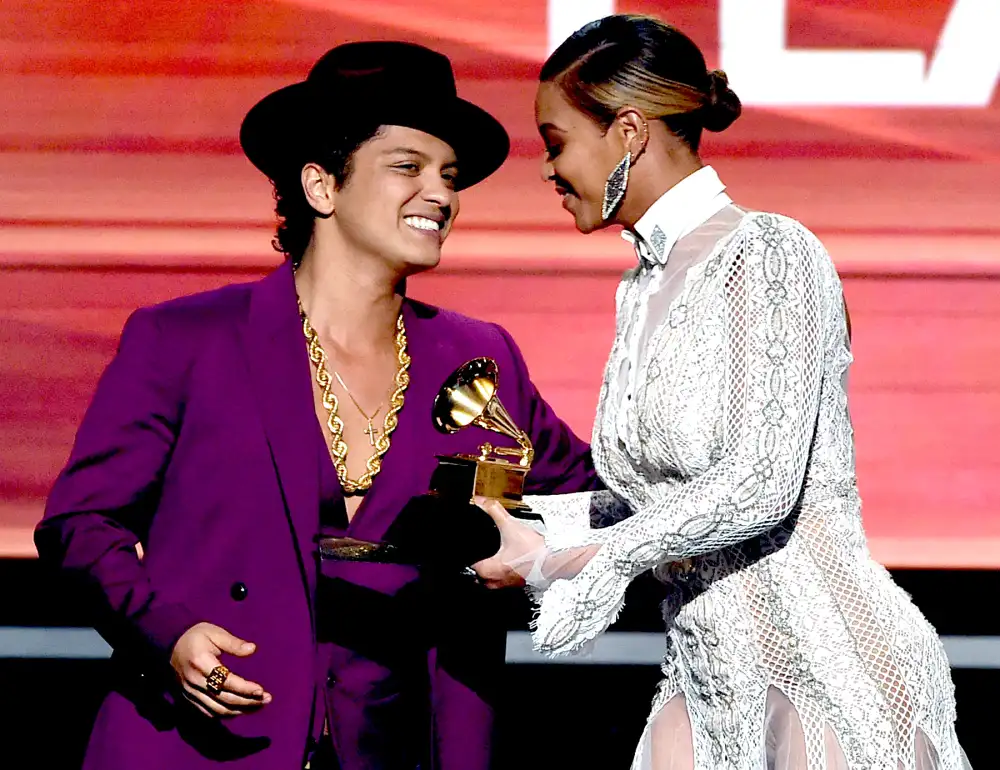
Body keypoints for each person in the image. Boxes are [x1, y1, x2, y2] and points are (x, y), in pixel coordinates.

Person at [35, 41, 598, 770]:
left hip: (401, 746)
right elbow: (82, 524)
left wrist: (534, 547)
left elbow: (595, 499)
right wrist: (167, 635)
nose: (441, 195)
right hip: (205, 742)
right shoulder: (185, 339)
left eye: (450, 177)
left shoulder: (477, 357)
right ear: (321, 186)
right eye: (408, 167)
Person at [473, 14, 971, 770]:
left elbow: (757, 485)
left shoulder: (770, 251)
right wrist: (501, 521)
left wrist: (566, 562)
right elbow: (653, 501)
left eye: (556, 142)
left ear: (629, 131)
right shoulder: (641, 287)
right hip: (706, 679)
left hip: (829, 670)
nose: (546, 168)